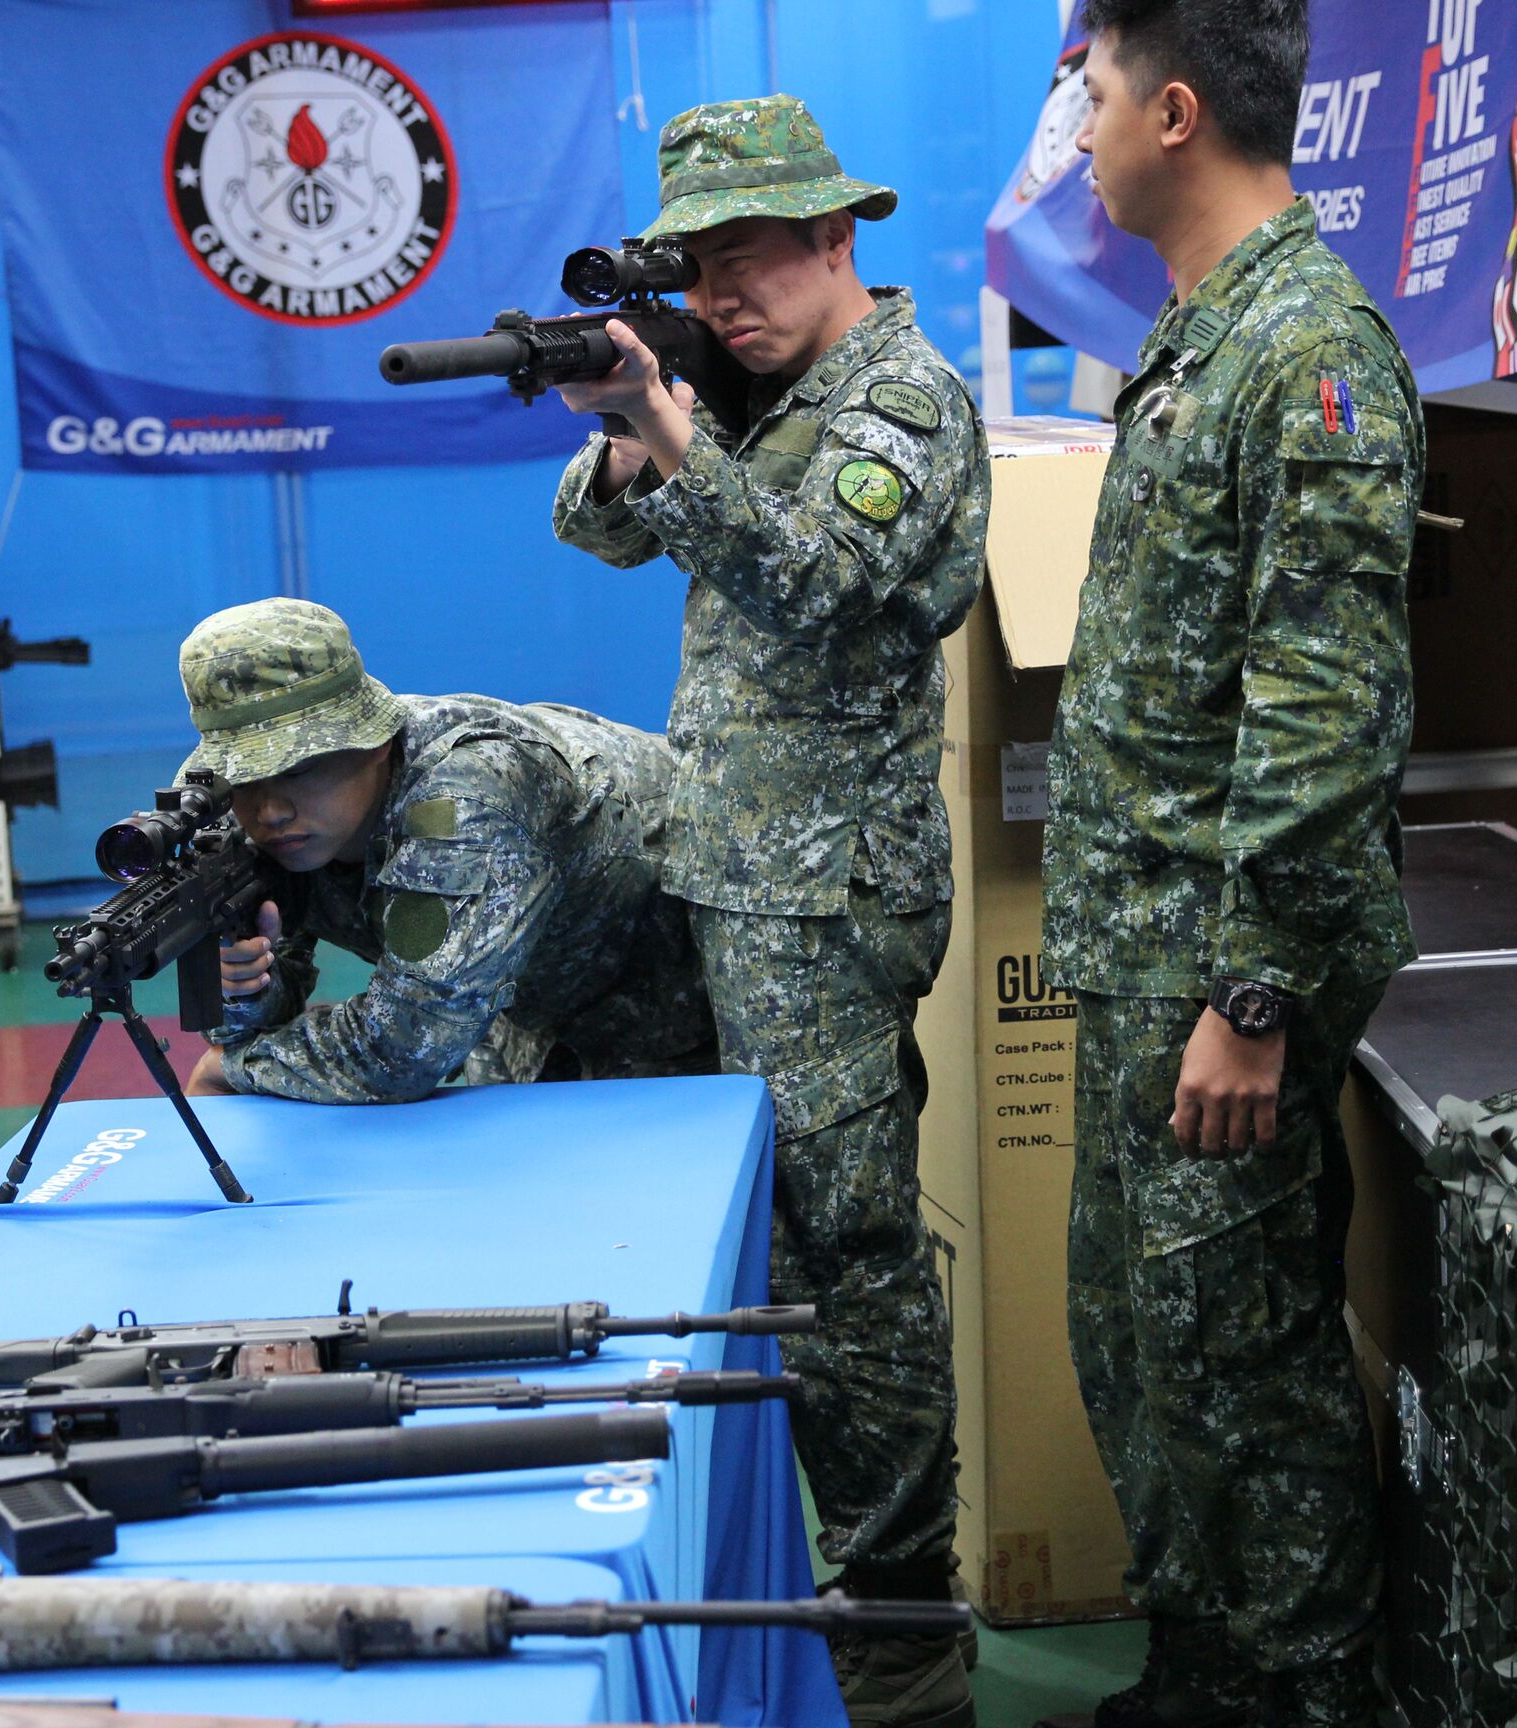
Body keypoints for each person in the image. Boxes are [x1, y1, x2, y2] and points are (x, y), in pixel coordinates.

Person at [550, 95, 988, 1728]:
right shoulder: (768, 391)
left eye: (745, 259)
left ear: (833, 236)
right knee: (761, 1242)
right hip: (728, 870)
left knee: (851, 1260)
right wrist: (638, 415)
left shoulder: (901, 400)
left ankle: (901, 1623)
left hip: (827, 899)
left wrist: (675, 426)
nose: (721, 294)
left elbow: (808, 576)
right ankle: (817, 1572)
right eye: (694, 271)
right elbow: (594, 531)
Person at [1040, 4, 1421, 1726]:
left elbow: (1325, 706)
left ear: (1176, 113)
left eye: (1095, 92)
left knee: (1245, 1372)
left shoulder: (1307, 350)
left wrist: (1251, 996)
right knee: (1145, 1349)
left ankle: (1305, 1694)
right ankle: (1202, 1671)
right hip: (1143, 952)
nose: (1079, 127)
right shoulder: (1206, 332)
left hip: (1219, 969)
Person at [175, 598, 713, 1103]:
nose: (270, 811)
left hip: (689, 979)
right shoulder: (238, 819)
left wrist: (235, 1068)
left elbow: (406, 1046)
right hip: (524, 997)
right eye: (244, 777)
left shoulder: (469, 798)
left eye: (299, 768)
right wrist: (246, 988)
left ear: (374, 742)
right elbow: (256, 1010)